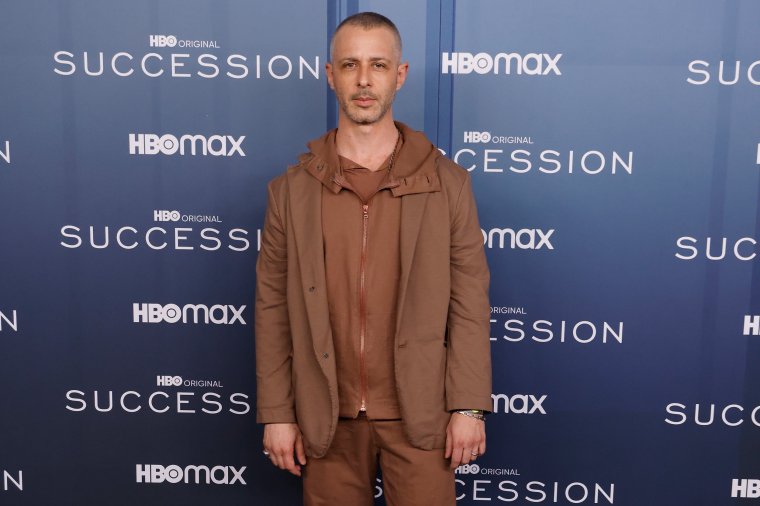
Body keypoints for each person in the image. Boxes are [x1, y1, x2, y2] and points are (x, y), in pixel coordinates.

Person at [255, 11, 492, 506]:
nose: (364, 80)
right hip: (326, 419)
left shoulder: (449, 185)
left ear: (399, 75)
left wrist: (468, 406)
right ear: (330, 74)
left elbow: (470, 302)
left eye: (379, 65)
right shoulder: (290, 192)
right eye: (350, 65)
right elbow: (273, 308)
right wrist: (278, 412)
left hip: (421, 416)